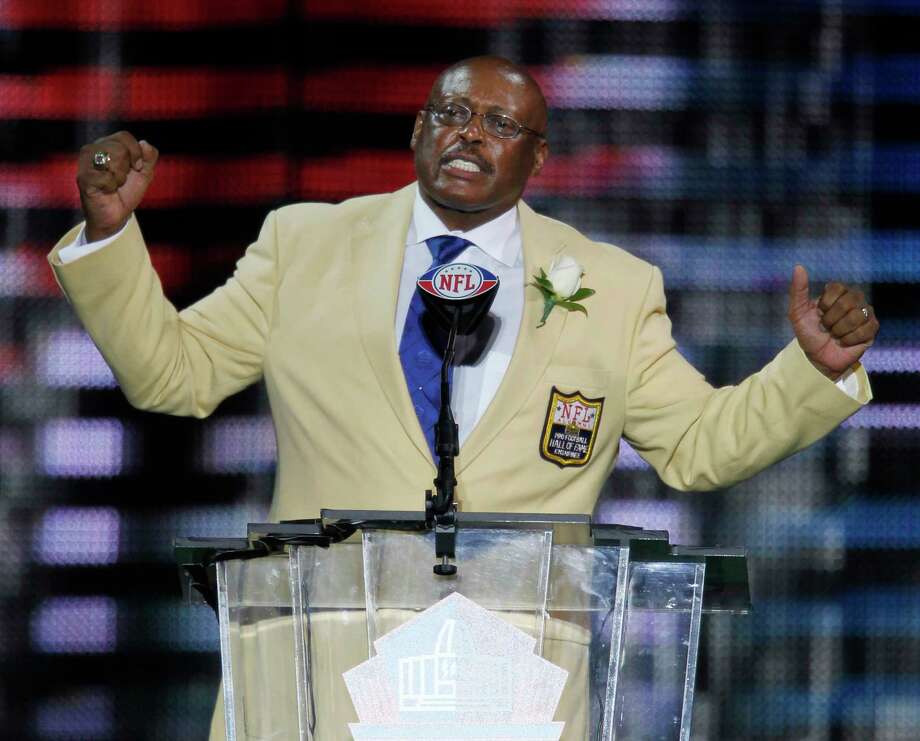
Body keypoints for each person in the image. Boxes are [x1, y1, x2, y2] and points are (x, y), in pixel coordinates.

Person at [49, 55, 876, 739]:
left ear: (539, 156)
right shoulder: (304, 245)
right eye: (451, 112)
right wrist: (113, 236)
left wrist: (813, 371)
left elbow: (702, 445)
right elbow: (172, 373)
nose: (471, 132)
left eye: (502, 123)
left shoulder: (614, 288)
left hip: (511, 698)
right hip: (313, 688)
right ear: (417, 131)